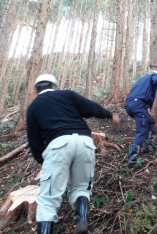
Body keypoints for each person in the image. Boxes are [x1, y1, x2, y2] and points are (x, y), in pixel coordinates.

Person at [26, 74, 120, 234]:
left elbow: (34, 140)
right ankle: (82, 218)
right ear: (52, 85)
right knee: (81, 187)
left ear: (36, 89)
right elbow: (89, 107)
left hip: (58, 144)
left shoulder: (34, 107)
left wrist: (44, 161)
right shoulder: (66, 95)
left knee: (48, 199)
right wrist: (109, 115)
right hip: (85, 142)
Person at [125, 70, 157, 168]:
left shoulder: (140, 81)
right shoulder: (153, 76)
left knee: (151, 120)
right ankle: (132, 159)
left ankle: (148, 146)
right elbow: (156, 80)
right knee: (142, 130)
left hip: (131, 106)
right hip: (139, 106)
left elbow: (138, 95)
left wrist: (146, 111)